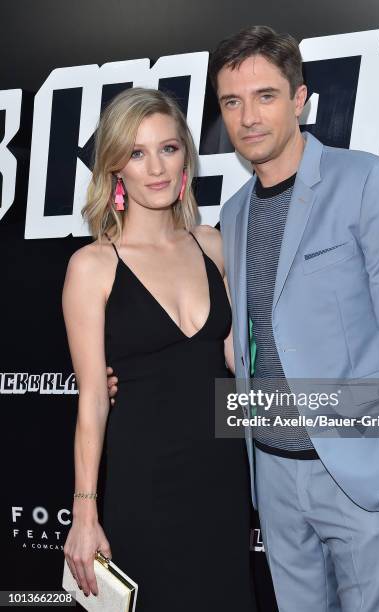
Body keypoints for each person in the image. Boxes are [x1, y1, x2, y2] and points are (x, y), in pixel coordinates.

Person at [205, 25, 379, 612]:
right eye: (232, 102)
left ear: (299, 100)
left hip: (360, 474)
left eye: (265, 96)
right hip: (271, 474)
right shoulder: (234, 214)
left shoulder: (369, 181)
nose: (248, 118)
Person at [62, 87, 256, 611]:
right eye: (137, 153)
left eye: (168, 149)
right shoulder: (92, 267)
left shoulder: (213, 244)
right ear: (115, 168)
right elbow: (93, 400)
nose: (156, 168)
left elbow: (242, 367)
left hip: (221, 482)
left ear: (186, 157)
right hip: (144, 487)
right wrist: (85, 512)